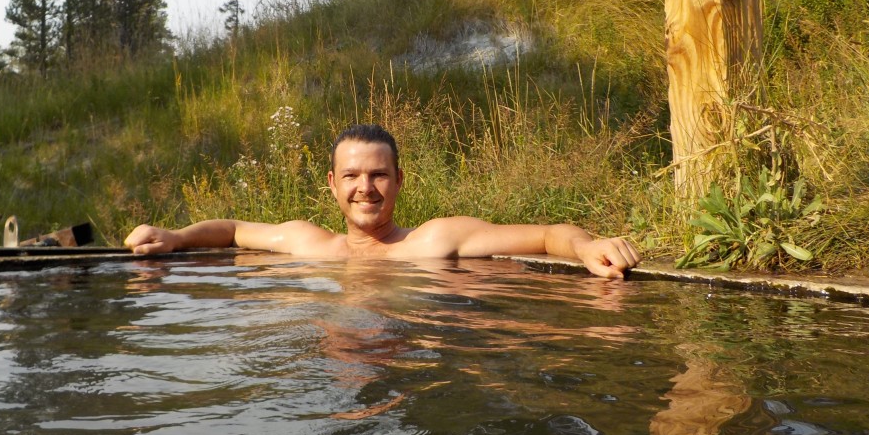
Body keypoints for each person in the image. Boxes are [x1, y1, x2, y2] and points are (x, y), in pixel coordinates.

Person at [125, 123, 641, 278]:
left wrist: (589, 247)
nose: (364, 188)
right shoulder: (309, 242)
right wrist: (176, 239)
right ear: (332, 182)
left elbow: (549, 234)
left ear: (399, 181)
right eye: (351, 175)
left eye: (378, 175)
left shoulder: (435, 240)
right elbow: (234, 229)